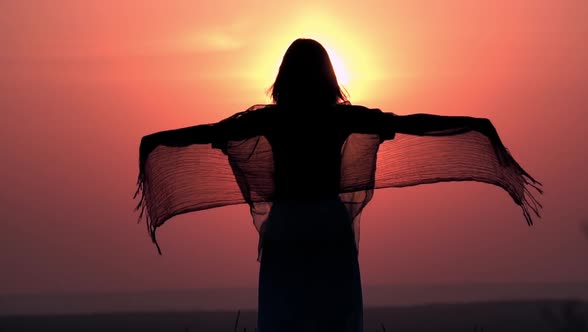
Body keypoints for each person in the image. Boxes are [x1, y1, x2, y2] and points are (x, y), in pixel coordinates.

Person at [135, 38, 542, 332]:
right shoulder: (344, 119)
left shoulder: (269, 120)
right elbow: (411, 123)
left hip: (287, 226)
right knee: (335, 313)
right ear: (328, 76)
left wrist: (152, 142)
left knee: (285, 313)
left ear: (283, 78)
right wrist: (475, 126)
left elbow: (204, 132)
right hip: (328, 224)